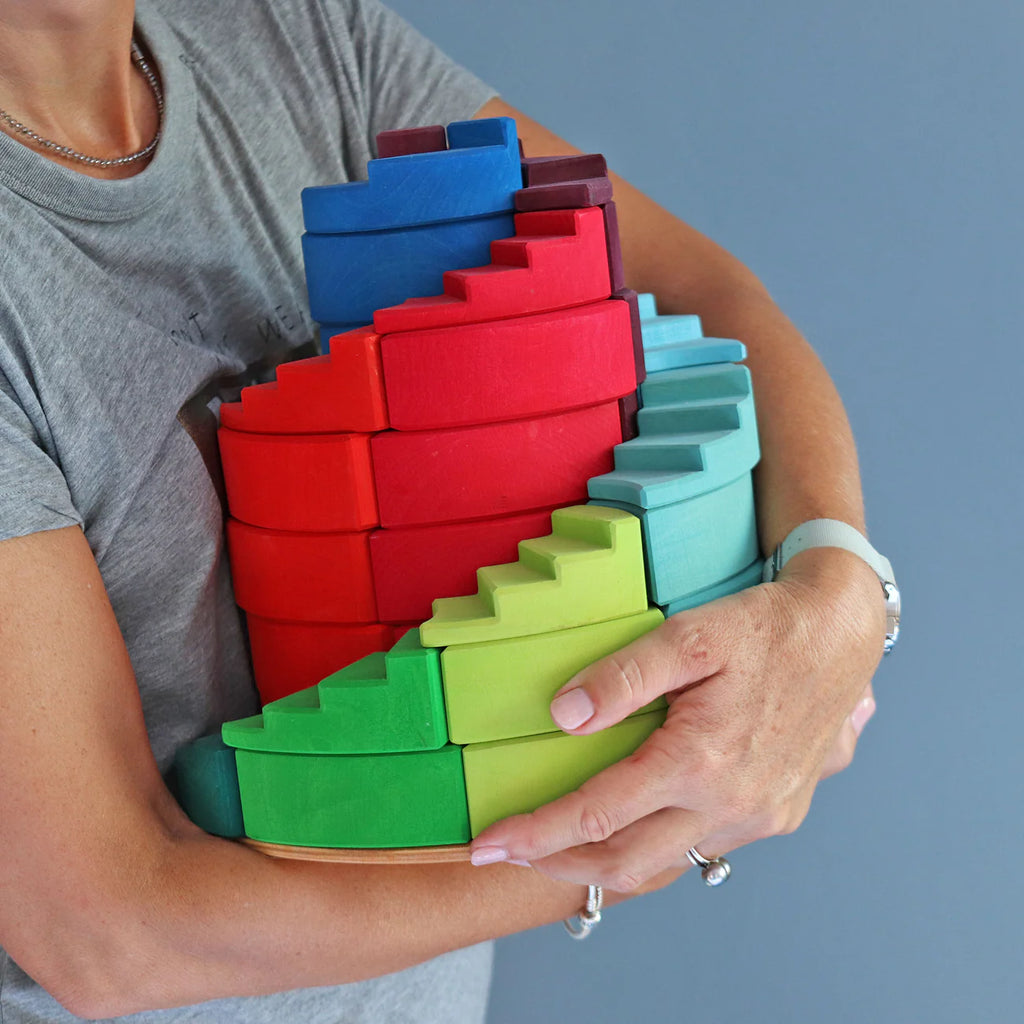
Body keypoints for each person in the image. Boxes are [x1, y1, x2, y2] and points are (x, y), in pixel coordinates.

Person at [0, 0, 887, 1020]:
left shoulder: (283, 31)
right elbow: (112, 934)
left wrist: (839, 588)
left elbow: (697, 290)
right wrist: (651, 818)